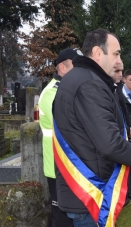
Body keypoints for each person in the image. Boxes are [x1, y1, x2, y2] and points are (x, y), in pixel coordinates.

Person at [52, 29, 131, 227]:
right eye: (116, 54)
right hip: (89, 193)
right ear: (98, 53)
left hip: (81, 192)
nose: (120, 61)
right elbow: (109, 144)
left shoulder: (80, 77)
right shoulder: (89, 84)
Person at [39, 47, 79, 227]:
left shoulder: (67, 90)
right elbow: (68, 126)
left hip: (69, 162)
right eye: (74, 66)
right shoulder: (51, 93)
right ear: (62, 68)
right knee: (61, 216)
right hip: (56, 165)